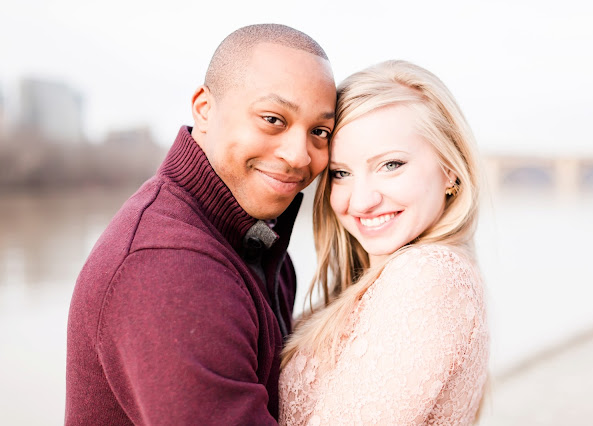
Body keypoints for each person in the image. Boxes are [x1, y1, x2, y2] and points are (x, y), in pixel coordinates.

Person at [65, 24, 336, 425]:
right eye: (273, 119)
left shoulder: (254, 238)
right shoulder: (168, 268)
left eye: (319, 132)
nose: (299, 155)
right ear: (204, 109)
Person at [279, 60, 489, 425]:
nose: (360, 202)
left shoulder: (427, 277)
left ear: (450, 167)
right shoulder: (391, 279)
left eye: (391, 165)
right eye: (341, 173)